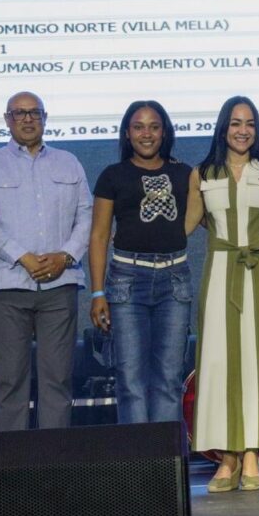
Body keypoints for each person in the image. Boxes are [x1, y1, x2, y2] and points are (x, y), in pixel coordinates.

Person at [186, 96, 259, 493]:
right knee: (220, 363)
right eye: (236, 123)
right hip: (220, 273)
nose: (243, 130)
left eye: (250, 123)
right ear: (223, 128)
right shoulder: (202, 174)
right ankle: (228, 457)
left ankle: (252, 453)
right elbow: (187, 224)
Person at [0, 91, 92, 434]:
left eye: (34, 112)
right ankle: (14, 461)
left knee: (58, 381)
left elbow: (86, 215)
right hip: (7, 284)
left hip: (59, 284)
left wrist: (65, 256)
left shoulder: (69, 162)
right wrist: (21, 256)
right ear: (7, 120)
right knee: (10, 383)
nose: (27, 119)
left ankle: (54, 460)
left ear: (45, 118)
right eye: (19, 113)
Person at [88, 101, 192, 425]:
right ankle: (137, 457)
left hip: (174, 281)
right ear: (127, 133)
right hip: (127, 282)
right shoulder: (113, 175)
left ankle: (165, 455)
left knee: (169, 379)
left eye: (154, 127)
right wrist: (97, 293)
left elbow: (211, 217)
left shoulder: (184, 174)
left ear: (165, 132)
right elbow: (99, 236)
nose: (146, 134)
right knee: (130, 380)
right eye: (138, 127)